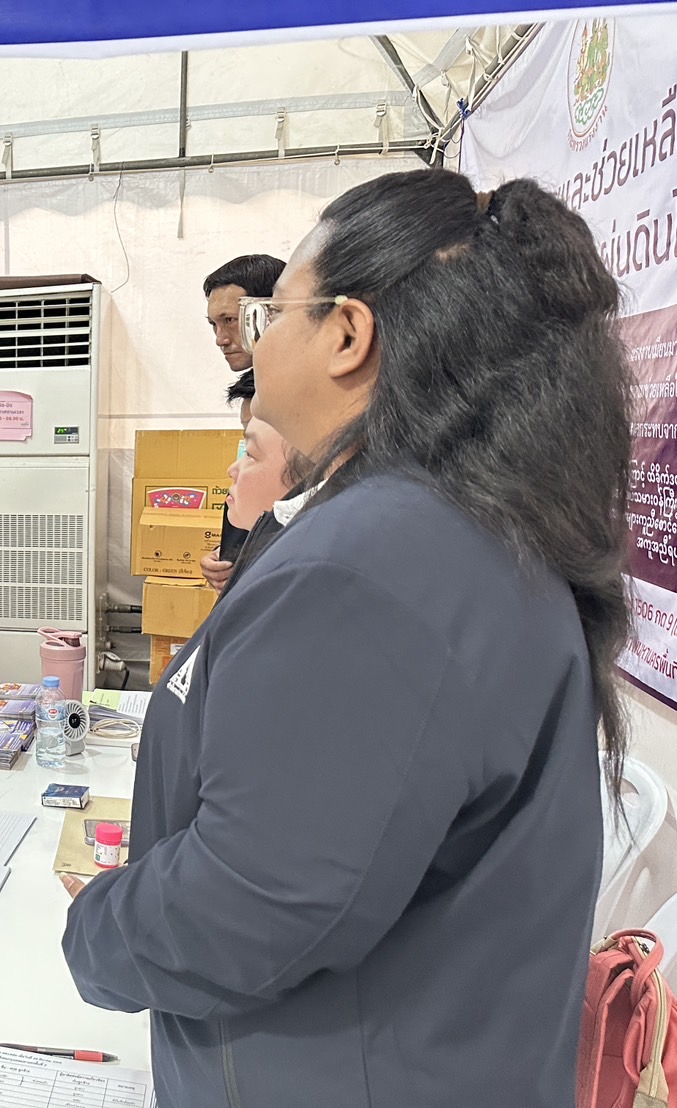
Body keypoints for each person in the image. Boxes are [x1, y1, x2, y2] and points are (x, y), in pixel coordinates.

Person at [62, 169, 630, 1105]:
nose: (251, 346)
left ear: (346, 334)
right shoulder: (459, 525)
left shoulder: (368, 567)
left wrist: (99, 929)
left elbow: (251, 903)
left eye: (270, 314)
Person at [197, 254, 285, 593]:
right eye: (213, 325)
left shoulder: (303, 400)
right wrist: (229, 555)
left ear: (270, 311)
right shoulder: (254, 392)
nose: (220, 338)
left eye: (230, 320)